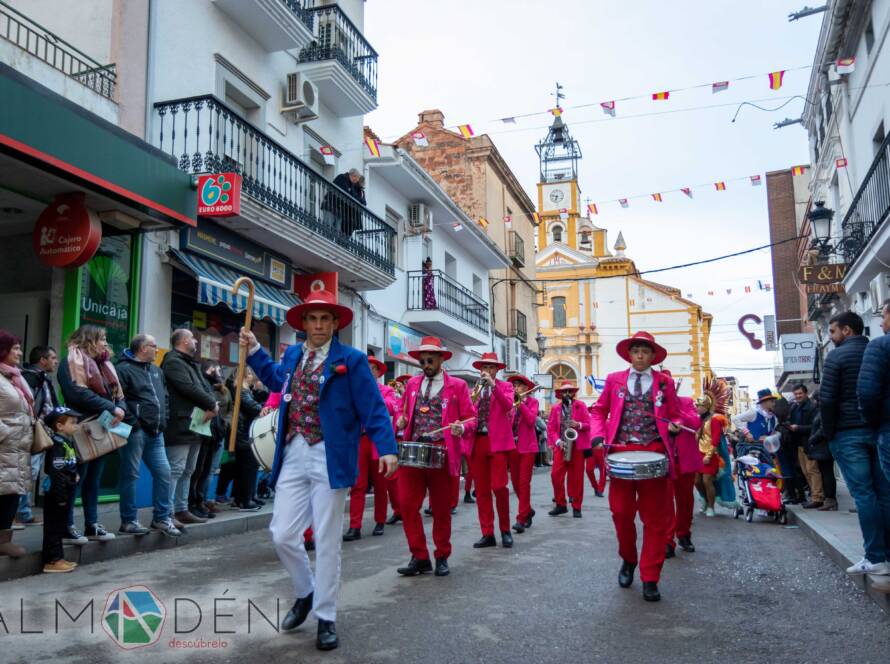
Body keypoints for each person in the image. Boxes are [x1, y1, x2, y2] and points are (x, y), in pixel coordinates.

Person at [241, 290, 397, 651]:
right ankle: (306, 591)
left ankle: (326, 616)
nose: (318, 325)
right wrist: (253, 352)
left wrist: (386, 447)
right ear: (304, 324)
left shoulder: (353, 361)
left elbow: (372, 406)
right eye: (312, 319)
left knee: (327, 540)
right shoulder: (294, 354)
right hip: (294, 449)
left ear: (336, 323)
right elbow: (277, 379)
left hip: (331, 453)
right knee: (281, 533)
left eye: (325, 319)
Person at [589, 331, 683, 603]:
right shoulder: (614, 380)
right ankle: (628, 559)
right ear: (629, 355)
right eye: (636, 351)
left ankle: (650, 576)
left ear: (653, 356)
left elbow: (675, 413)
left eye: (645, 351)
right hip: (621, 452)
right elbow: (598, 410)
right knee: (620, 513)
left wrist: (675, 425)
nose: (640, 355)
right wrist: (597, 435)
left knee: (654, 520)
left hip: (653, 452)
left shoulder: (664, 383)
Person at [395, 336, 474, 578]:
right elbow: (402, 409)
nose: (426, 363)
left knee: (441, 509)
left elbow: (472, 418)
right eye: (422, 360)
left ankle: (441, 555)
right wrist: (401, 418)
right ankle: (419, 556)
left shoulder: (458, 386)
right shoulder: (412, 385)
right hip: (413, 451)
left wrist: (462, 428)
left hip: (442, 452)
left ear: (441, 359)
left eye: (430, 359)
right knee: (407, 505)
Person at [821, 311, 890, 576]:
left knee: (863, 494)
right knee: (883, 492)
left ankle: (875, 556)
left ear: (847, 330)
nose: (831, 337)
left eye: (833, 331)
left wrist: (830, 433)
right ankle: (885, 555)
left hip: (848, 432)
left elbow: (827, 400)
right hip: (877, 429)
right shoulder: (877, 349)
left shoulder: (836, 357)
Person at [57, 324, 125, 544]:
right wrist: (110, 407)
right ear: (89, 340)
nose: (105, 343)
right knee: (77, 478)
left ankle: (92, 525)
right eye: (102, 338)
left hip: (102, 426)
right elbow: (76, 393)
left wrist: (119, 407)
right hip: (80, 426)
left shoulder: (104, 364)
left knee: (94, 479)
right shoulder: (70, 362)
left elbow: (117, 393)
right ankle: (66, 526)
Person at [115, 334, 180, 537]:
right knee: (130, 475)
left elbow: (165, 398)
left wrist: (164, 420)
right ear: (143, 348)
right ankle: (128, 520)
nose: (157, 349)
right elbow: (119, 400)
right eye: (153, 346)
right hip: (136, 432)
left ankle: (161, 518)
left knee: (164, 472)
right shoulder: (123, 370)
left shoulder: (156, 370)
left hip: (156, 432)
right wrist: (134, 424)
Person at [161, 329, 218, 526]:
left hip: (195, 423)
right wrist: (212, 404)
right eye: (193, 338)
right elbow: (188, 388)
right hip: (180, 423)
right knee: (176, 469)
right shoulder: (173, 362)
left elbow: (202, 387)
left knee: (189, 469)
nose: (195, 341)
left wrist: (211, 403)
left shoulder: (189, 363)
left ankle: (181, 508)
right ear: (184, 341)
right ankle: (167, 512)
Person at [344, 357, 398, 540]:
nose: (369, 371)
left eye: (373, 368)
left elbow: (392, 407)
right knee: (358, 485)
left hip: (377, 441)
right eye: (366, 368)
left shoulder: (387, 390)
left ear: (378, 373)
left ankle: (380, 521)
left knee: (380, 484)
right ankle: (355, 526)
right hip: (359, 441)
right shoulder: (354, 390)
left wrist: (373, 397)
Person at [468, 352, 516, 548]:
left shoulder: (507, 387)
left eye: (490, 367)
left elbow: (507, 406)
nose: (486, 371)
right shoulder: (475, 389)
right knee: (481, 491)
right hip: (478, 440)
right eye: (484, 367)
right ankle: (487, 532)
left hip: (497, 442)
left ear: (497, 369)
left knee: (499, 487)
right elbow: (468, 411)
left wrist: (493, 386)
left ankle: (505, 530)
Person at [16, 345, 59, 527]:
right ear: (42, 360)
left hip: (39, 430)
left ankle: (23, 512)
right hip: (33, 430)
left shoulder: (41, 377)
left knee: (30, 472)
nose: (56, 362)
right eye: (53, 358)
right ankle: (17, 513)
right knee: (27, 472)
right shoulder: (32, 378)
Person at [0, 331, 34, 558]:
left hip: (16, 448)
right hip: (5, 445)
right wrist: (5, 434)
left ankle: (4, 540)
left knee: (11, 494)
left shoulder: (13, 377)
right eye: (15, 349)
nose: (20, 353)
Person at [41, 407, 81, 573]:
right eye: (72, 423)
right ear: (59, 426)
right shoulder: (57, 445)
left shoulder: (66, 442)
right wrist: (61, 496)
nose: (76, 426)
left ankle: (58, 558)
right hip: (58, 493)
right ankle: (53, 560)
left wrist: (74, 475)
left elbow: (68, 465)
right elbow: (57, 473)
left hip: (65, 489)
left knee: (59, 526)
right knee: (54, 527)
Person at [547, 380, 592, 518]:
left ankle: (577, 507)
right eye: (564, 391)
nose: (567, 394)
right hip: (562, 445)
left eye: (570, 391)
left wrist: (577, 424)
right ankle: (561, 504)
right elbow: (551, 428)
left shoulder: (581, 405)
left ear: (574, 393)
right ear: (560, 394)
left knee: (577, 478)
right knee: (555, 475)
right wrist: (558, 441)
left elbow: (589, 425)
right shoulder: (555, 408)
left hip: (577, 445)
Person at [665, 393, 702, 558]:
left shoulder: (686, 401)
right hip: (664, 459)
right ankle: (667, 540)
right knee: (664, 503)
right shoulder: (655, 402)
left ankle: (684, 534)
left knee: (685, 500)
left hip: (684, 460)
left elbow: (696, 423)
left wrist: (677, 413)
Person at [188, 360, 226, 519]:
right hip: (203, 432)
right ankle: (193, 503)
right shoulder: (203, 383)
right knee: (197, 470)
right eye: (215, 368)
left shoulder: (214, 386)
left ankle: (199, 501)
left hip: (214, 434)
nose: (218, 371)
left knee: (205, 470)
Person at [859, 298, 890, 484]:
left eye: (884, 315)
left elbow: (867, 393)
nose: (881, 322)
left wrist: (873, 423)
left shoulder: (880, 346)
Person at [507, 374, 539, 533]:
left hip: (528, 447)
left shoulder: (533, 402)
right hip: (513, 446)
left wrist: (520, 404)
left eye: (519, 386)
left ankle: (521, 518)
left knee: (524, 483)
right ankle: (528, 510)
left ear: (526, 388)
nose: (516, 388)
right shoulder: (511, 403)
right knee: (514, 483)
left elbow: (531, 420)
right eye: (514, 386)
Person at [227, 367, 263, 511]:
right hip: (242, 433)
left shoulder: (245, 391)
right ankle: (245, 499)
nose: (251, 376)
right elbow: (252, 407)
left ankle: (244, 497)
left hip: (243, 432)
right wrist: (264, 408)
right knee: (248, 465)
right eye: (248, 374)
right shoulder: (240, 390)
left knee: (245, 466)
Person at [787, 384, 822, 508]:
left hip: (810, 443)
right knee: (806, 472)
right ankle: (815, 496)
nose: (798, 396)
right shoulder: (795, 407)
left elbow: (815, 427)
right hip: (799, 444)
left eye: (800, 393)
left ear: (806, 393)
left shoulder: (812, 407)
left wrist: (798, 428)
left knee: (812, 471)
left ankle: (817, 498)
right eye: (796, 394)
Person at [804, 402, 838, 511]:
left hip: (824, 447)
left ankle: (830, 500)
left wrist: (812, 439)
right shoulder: (822, 412)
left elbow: (823, 429)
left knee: (827, 473)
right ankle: (828, 499)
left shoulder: (824, 412)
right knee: (824, 473)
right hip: (822, 447)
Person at [329, 168, 365, 237]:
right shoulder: (341, 177)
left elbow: (361, 201)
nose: (356, 181)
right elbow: (347, 193)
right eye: (357, 179)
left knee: (337, 234)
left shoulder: (351, 185)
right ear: (354, 176)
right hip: (331, 206)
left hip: (339, 211)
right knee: (328, 228)